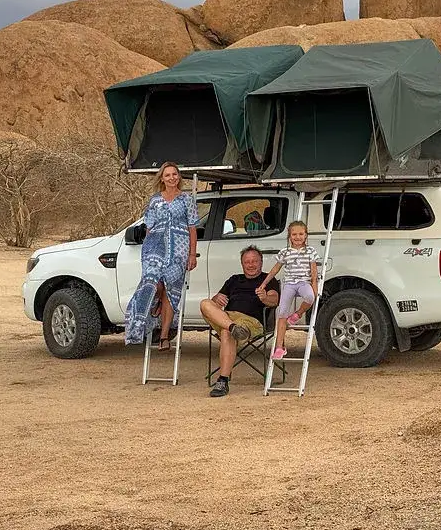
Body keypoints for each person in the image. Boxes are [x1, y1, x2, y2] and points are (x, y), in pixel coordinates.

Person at [124, 162, 198, 350]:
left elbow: (192, 228)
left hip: (179, 251)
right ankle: (150, 308)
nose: (172, 177)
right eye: (168, 175)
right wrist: (146, 250)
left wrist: (192, 254)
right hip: (155, 247)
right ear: (162, 179)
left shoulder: (186, 200)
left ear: (179, 177)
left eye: (175, 174)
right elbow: (149, 227)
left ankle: (164, 336)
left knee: (171, 291)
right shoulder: (155, 200)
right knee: (152, 284)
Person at [199, 246, 280, 398]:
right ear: (242, 264)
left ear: (261, 262)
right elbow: (216, 301)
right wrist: (217, 299)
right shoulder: (234, 279)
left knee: (226, 332)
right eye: (247, 262)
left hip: (251, 321)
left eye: (254, 261)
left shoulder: (268, 279)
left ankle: (222, 381)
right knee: (205, 303)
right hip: (228, 318)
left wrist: (264, 297)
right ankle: (233, 327)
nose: (251, 265)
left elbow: (274, 300)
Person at [258, 221, 320, 360]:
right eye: (294, 234)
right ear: (289, 236)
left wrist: (314, 284)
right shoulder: (285, 252)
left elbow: (314, 270)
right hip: (290, 284)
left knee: (310, 297)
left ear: (305, 236)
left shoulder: (310, 251)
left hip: (304, 282)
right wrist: (264, 283)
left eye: (301, 234)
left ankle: (298, 314)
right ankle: (280, 347)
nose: (297, 237)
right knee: (282, 313)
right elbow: (275, 269)